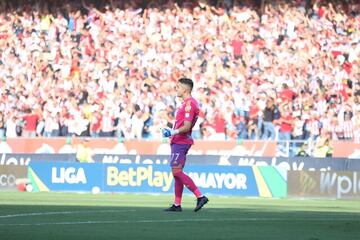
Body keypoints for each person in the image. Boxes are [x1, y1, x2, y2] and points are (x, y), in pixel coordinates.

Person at [162, 78, 208, 212]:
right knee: (176, 173)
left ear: (185, 89)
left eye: (178, 87)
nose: (176, 89)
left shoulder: (190, 104)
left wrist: (173, 131)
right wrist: (171, 130)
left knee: (176, 171)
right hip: (178, 140)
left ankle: (200, 196)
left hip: (181, 141)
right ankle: (177, 204)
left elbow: (187, 126)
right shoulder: (186, 104)